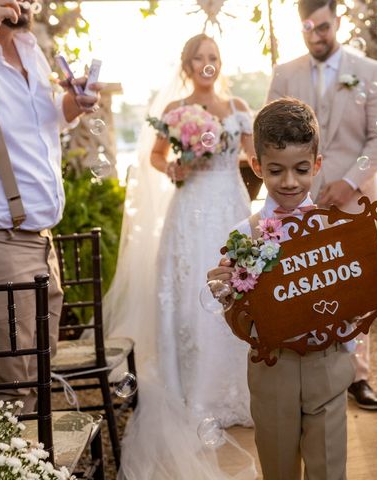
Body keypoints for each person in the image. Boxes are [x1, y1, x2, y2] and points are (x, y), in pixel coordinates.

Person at [207, 97, 377, 480]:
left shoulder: (338, 230)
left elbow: (361, 294)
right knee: (279, 469)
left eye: (301, 169)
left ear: (317, 165)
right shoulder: (244, 236)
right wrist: (225, 293)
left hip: (329, 365)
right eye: (275, 170)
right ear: (257, 166)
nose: (289, 182)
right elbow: (241, 313)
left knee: (329, 469)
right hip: (273, 371)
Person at [112, 34, 258, 480]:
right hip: (190, 212)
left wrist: (278, 167)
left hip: (231, 208)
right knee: (193, 296)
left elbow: (253, 158)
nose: (207, 64)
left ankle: (239, 392)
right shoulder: (176, 111)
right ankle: (196, 393)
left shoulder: (237, 109)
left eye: (213, 57)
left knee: (236, 292)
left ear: (220, 61)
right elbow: (157, 158)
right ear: (187, 64)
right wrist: (176, 166)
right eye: (199, 58)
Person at [266, 0, 377, 410]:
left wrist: (349, 182)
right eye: (308, 29)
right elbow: (267, 132)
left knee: (356, 286)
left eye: (323, 27)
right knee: (305, 281)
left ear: (337, 22)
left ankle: (358, 377)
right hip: (295, 200)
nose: (316, 36)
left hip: (354, 200)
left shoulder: (369, 71)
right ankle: (308, 369)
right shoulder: (285, 73)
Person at [0, 0, 100, 410]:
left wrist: (69, 107)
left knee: (37, 382)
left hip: (41, 244)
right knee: (7, 396)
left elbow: (32, 133)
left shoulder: (30, 48)